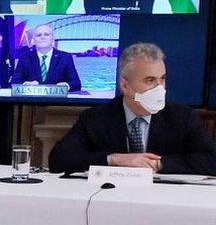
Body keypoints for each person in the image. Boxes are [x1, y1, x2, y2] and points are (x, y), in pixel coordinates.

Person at [48, 43, 216, 175]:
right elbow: (59, 159)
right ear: (125, 85)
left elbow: (212, 160)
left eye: (162, 79)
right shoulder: (95, 118)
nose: (160, 88)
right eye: (150, 80)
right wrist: (115, 159)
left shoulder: (182, 117)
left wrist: (156, 163)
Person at [10, 23, 82, 92]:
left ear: (53, 38)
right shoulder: (24, 58)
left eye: (46, 34)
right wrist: (25, 85)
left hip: (57, 103)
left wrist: (66, 86)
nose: (42, 37)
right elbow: (14, 82)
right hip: (31, 102)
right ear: (34, 40)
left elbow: (76, 83)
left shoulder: (65, 57)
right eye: (38, 35)